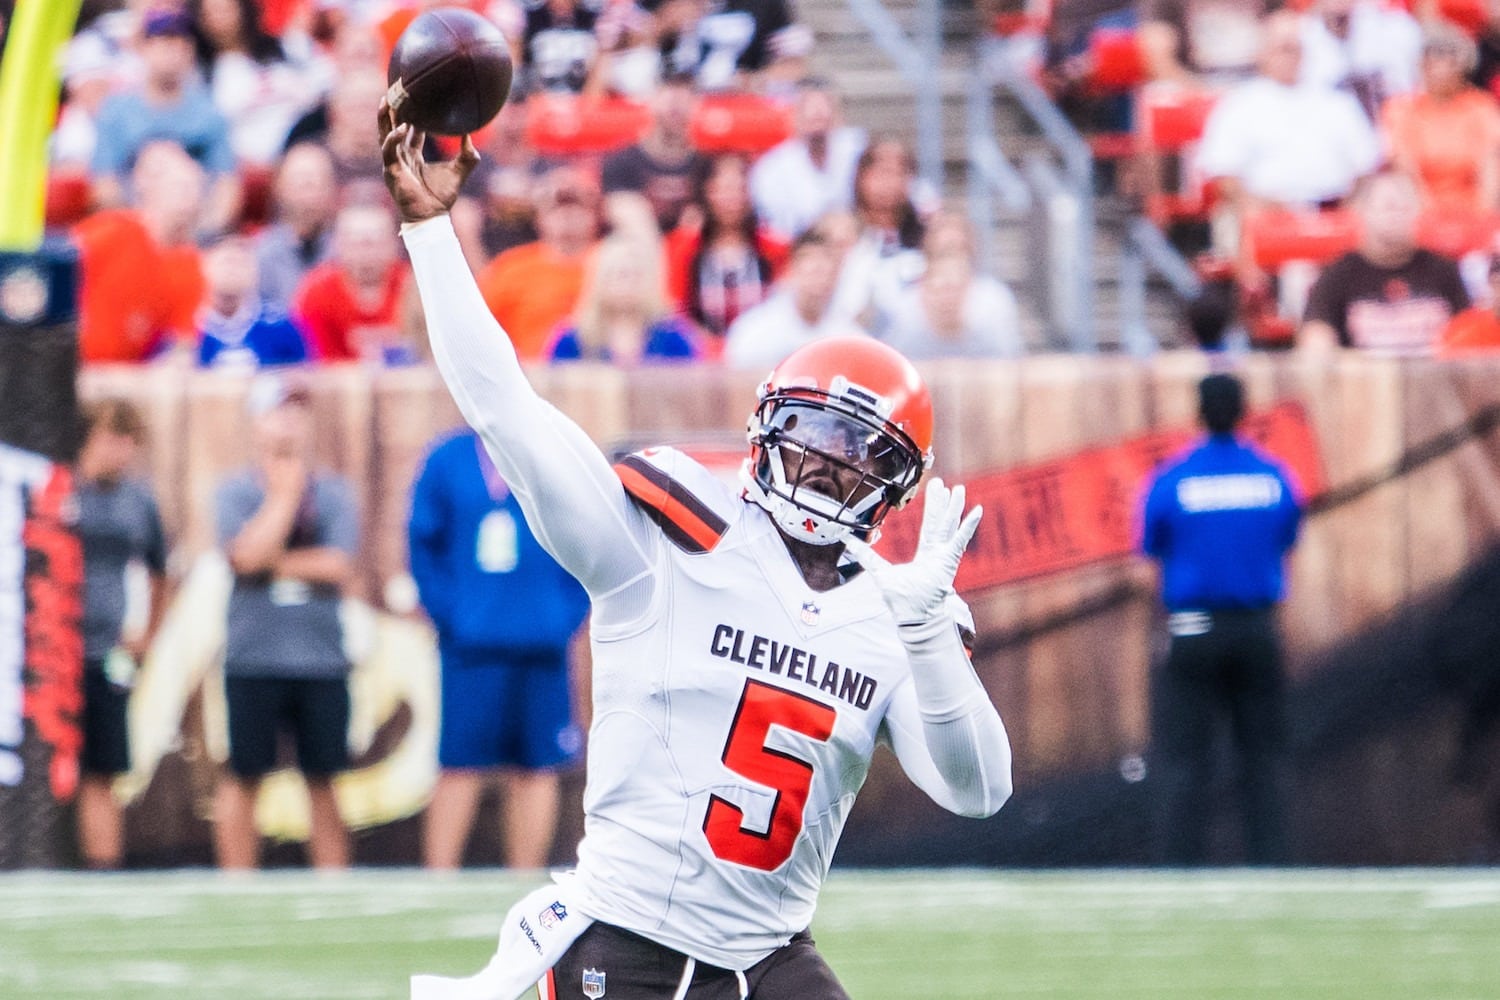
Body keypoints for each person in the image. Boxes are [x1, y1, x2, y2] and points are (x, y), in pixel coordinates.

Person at [382, 101, 1012, 1000]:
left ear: (895, 484)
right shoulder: (670, 546)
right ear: (766, 429)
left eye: (853, 456)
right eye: (809, 436)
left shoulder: (890, 609)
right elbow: (504, 409)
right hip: (624, 941)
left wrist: (927, 644)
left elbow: (978, 791)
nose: (823, 470)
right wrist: (432, 231)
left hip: (769, 954)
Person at [407, 428, 591, 869]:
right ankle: (437, 882)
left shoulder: (552, 455)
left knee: (537, 768)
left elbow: (588, 539)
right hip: (473, 646)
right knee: (460, 764)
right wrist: (453, 615)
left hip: (542, 643)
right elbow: (422, 543)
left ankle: (523, 882)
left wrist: (563, 614)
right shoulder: (446, 460)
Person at [1142, 373, 1301, 866]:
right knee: (1264, 757)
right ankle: (1271, 865)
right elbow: (1286, 537)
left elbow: (1152, 545)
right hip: (1256, 629)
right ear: (1243, 412)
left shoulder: (1173, 479)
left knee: (1184, 760)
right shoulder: (1273, 477)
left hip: (1192, 630)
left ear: (1198, 413)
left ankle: (1179, 869)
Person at [213, 374, 359, 870]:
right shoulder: (234, 492)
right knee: (244, 773)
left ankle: (333, 883)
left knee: (324, 778)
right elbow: (243, 558)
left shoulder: (335, 492)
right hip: (253, 654)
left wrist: (269, 557)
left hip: (320, 657)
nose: (289, 422)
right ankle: (236, 884)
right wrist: (283, 496)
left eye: (298, 411)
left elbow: (338, 565)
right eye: (278, 410)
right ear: (256, 422)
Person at [74, 400, 168, 869]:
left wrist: (147, 632)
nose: (124, 452)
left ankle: (101, 869)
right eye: (115, 438)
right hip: (50, 655)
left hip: (106, 651)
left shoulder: (137, 500)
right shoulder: (55, 488)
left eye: (131, 442)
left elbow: (159, 570)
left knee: (103, 770)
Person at [90, 8, 242, 237]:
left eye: (181, 43)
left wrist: (203, 233)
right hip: (134, 230)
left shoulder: (209, 113)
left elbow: (227, 186)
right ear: (143, 48)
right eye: (163, 42)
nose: (173, 51)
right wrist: (143, 232)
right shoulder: (117, 111)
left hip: (195, 232)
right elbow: (104, 187)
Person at [1299, 169, 1470, 354]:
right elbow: (1316, 335)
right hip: (1365, 379)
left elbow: (1468, 333)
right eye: (1389, 206)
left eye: (1405, 207)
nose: (1397, 215)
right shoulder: (1338, 275)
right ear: (1362, 211)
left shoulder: (1443, 270)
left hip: (1433, 377)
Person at [74, 140, 208, 363]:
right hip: (70, 363)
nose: (191, 198)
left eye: (196, 188)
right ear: (148, 186)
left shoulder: (191, 266)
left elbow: (182, 344)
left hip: (126, 379)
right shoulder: (110, 231)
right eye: (182, 187)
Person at [665, 153, 789, 356]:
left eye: (739, 189)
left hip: (761, 353)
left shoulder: (775, 249)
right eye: (723, 189)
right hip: (699, 355)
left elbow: (783, 310)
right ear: (706, 192)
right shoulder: (682, 247)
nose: (732, 198)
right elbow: (675, 312)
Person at [478, 164, 603, 362]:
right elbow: (480, 331)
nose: (567, 217)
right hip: (528, 376)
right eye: (557, 210)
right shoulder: (511, 267)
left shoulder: (614, 263)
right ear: (540, 217)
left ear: (595, 215)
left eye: (577, 209)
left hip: (601, 377)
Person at [1380, 22, 1500, 216]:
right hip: (1419, 211)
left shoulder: (1481, 107)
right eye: (1432, 60)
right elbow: (1405, 172)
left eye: (1448, 61)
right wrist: (1429, 219)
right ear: (1421, 65)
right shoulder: (1401, 109)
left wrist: (1482, 217)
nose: (1440, 69)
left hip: (1473, 210)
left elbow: (1490, 169)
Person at [724, 228, 867, 370]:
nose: (819, 278)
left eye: (827, 271)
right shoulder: (753, 331)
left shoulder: (850, 338)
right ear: (792, 270)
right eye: (813, 270)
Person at [293, 201, 415, 364]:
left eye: (374, 242)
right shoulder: (316, 293)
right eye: (355, 243)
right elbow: (313, 362)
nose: (366, 253)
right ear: (337, 245)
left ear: (395, 244)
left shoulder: (414, 289)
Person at [548, 235, 700, 363]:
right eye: (616, 275)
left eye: (634, 275)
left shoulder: (674, 336)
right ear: (598, 281)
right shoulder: (571, 339)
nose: (625, 284)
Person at [748, 78, 866, 241]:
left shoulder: (859, 151)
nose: (817, 113)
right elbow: (774, 228)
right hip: (799, 248)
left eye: (825, 106)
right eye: (808, 107)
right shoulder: (771, 168)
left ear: (838, 114)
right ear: (795, 116)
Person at [601, 72, 704, 236]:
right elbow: (618, 214)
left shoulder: (706, 165)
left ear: (696, 105)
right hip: (637, 250)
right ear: (651, 101)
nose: (676, 105)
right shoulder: (622, 161)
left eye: (684, 98)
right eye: (669, 97)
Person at [197, 233, 310, 368]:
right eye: (226, 262)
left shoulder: (279, 324)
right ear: (203, 268)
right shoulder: (189, 326)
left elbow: (305, 374)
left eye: (241, 264)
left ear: (255, 273)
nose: (232, 270)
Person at [255, 142, 340, 313]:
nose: (310, 193)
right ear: (279, 187)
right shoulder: (260, 255)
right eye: (302, 182)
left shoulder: (346, 250)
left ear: (333, 188)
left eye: (318, 181)